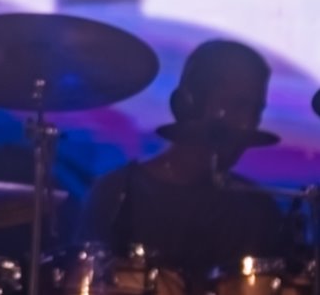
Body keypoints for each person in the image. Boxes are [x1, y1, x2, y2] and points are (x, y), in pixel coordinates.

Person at [78, 40, 289, 287]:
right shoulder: (116, 195)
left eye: (256, 111)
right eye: (238, 106)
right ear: (187, 104)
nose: (247, 124)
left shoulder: (260, 210)